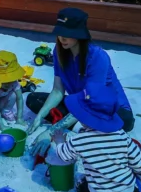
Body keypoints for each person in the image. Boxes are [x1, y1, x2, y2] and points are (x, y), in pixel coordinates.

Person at [27, 7, 134, 140]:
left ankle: (82, 128)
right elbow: (57, 91)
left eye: (67, 34)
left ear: (79, 34)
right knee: (33, 100)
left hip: (107, 108)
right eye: (60, 33)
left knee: (123, 121)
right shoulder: (59, 51)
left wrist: (51, 131)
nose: (62, 38)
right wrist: (39, 117)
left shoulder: (97, 56)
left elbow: (92, 101)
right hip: (80, 103)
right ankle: (84, 128)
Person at [50, 84, 141, 192]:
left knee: (80, 183)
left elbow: (64, 155)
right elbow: (140, 164)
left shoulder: (79, 140)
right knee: (126, 183)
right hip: (126, 191)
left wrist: (59, 141)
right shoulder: (122, 135)